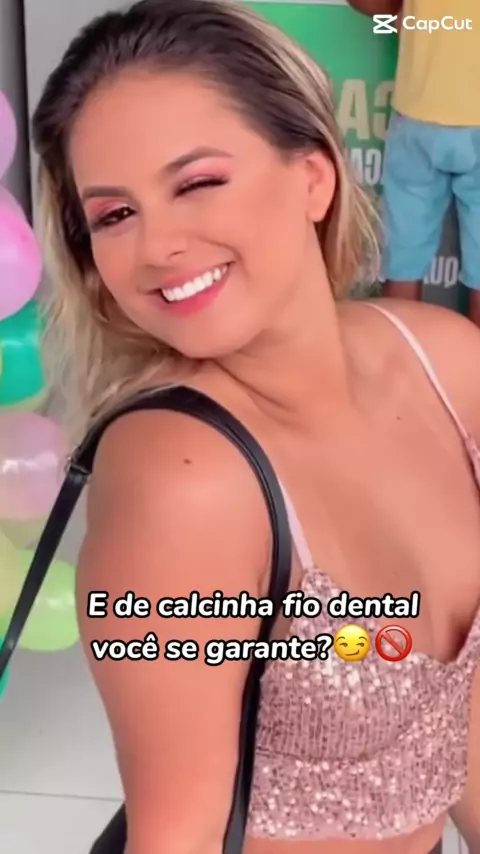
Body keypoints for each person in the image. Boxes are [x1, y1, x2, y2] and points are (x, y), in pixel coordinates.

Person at [32, 2, 480, 853]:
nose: (158, 246)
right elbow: (179, 837)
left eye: (197, 182)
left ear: (314, 176)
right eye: (115, 216)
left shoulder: (450, 365)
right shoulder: (182, 477)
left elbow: (464, 714)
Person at [347, 0, 480, 326]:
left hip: (417, 114)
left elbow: (368, 4)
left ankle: (398, 350)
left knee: (403, 263)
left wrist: (412, 23)